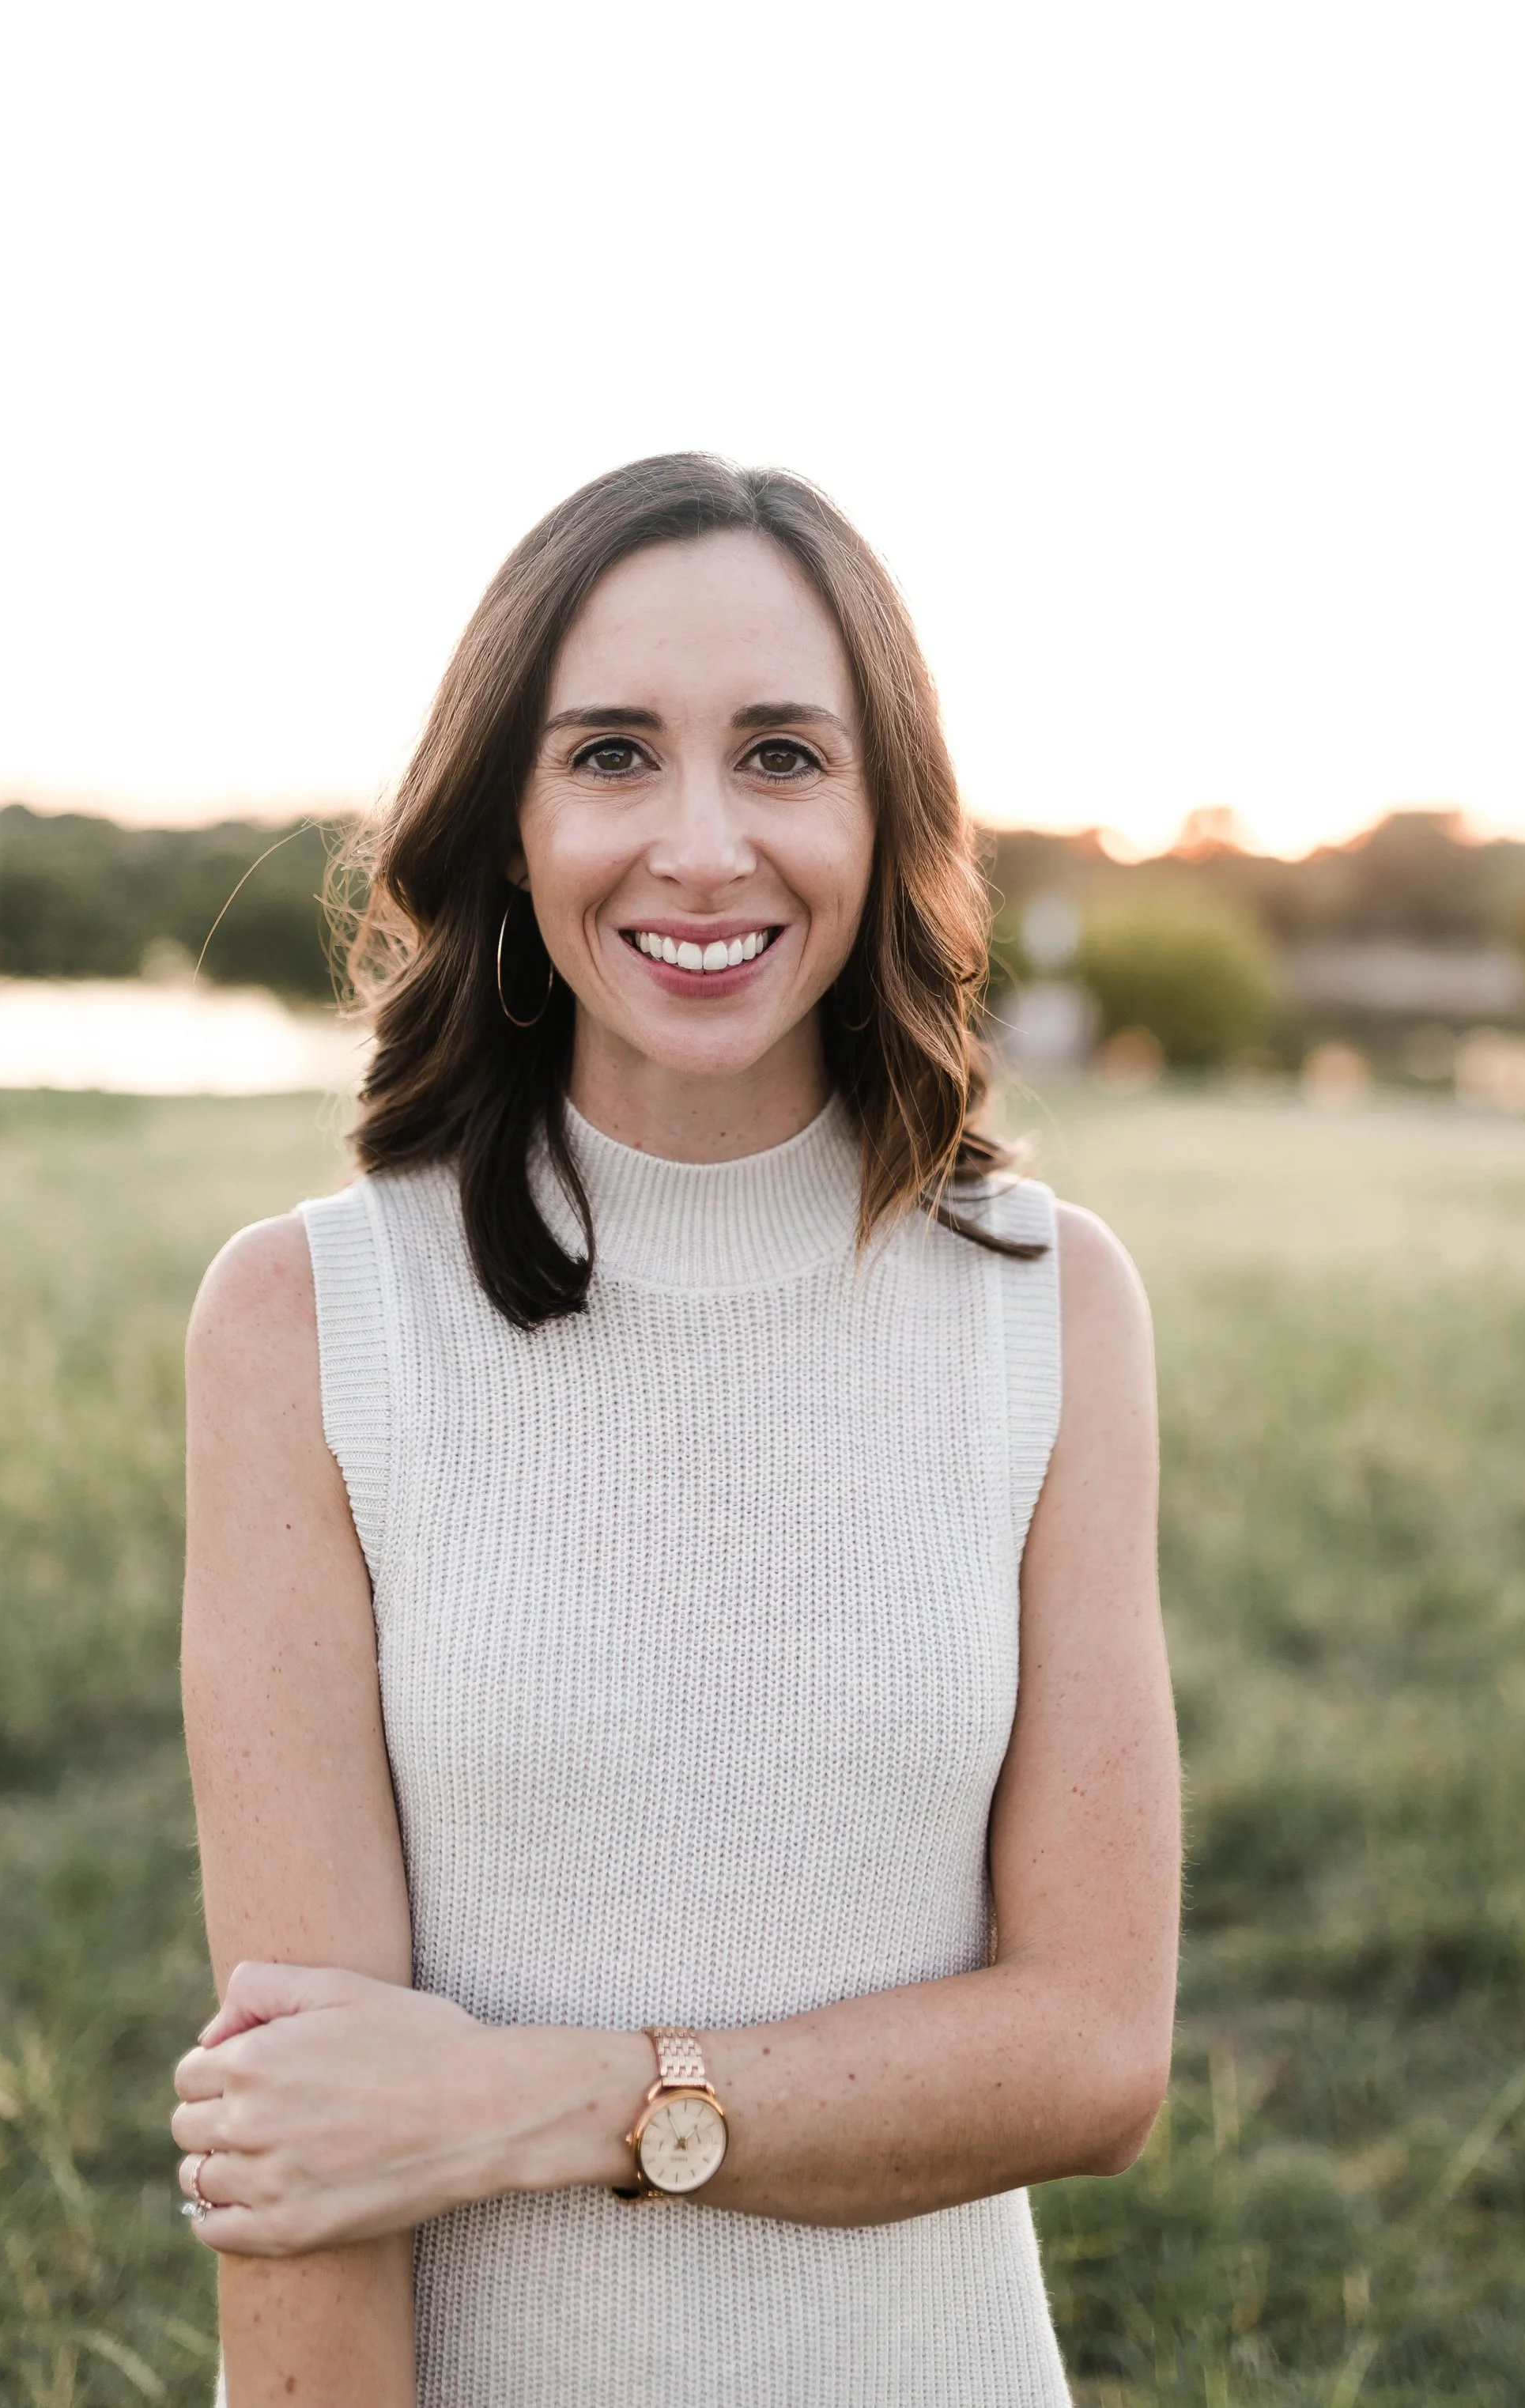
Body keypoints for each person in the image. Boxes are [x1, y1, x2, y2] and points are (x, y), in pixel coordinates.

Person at [172, 454, 1180, 2408]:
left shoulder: (1049, 1307)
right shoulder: (305, 1324)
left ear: (886, 816)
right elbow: (306, 2143)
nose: (700, 846)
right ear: (512, 817)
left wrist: (553, 2106)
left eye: (782, 755)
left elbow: (1089, 2054)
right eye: (613, 755)